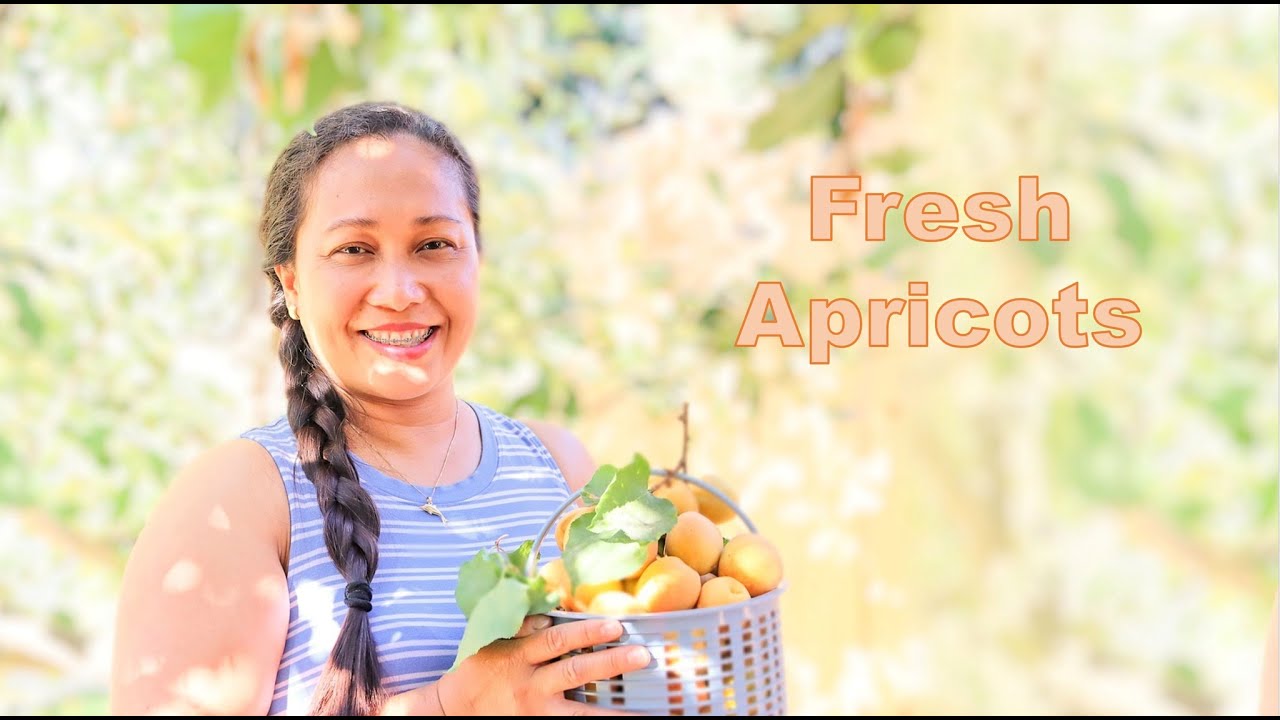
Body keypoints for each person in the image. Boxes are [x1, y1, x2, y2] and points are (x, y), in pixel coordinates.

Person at [108, 101, 651, 716]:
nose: (399, 291)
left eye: (434, 243)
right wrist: (449, 706)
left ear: (477, 260)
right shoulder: (239, 495)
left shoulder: (556, 466)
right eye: (354, 249)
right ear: (291, 283)